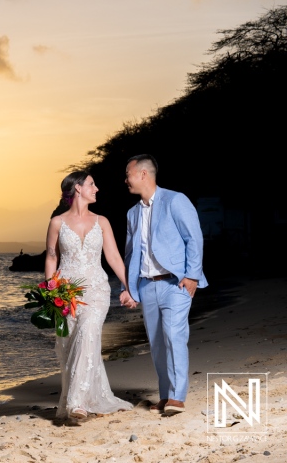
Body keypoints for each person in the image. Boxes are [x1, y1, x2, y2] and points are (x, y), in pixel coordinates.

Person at [44, 171, 134, 421]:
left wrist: (130, 287)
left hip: (96, 290)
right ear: (78, 189)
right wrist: (51, 291)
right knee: (72, 344)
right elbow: (52, 257)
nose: (97, 189)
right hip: (67, 292)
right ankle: (83, 397)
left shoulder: (102, 221)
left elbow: (114, 258)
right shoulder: (57, 222)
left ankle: (76, 404)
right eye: (92, 184)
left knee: (87, 333)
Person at [122, 154, 207, 416]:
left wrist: (192, 275)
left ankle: (177, 397)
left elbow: (194, 238)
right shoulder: (132, 213)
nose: (125, 179)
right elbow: (130, 254)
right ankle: (164, 395)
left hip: (176, 284)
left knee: (174, 336)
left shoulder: (175, 200)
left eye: (128, 174)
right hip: (147, 286)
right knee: (157, 342)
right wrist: (129, 288)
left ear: (143, 174)